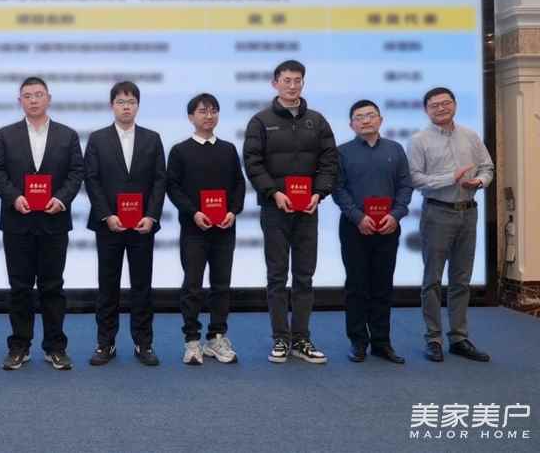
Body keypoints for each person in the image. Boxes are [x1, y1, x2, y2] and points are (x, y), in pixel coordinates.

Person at [243, 59, 338, 364]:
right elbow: (253, 163)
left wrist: (319, 193)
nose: (292, 85)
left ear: (303, 83)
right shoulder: (260, 121)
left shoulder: (317, 121)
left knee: (304, 276)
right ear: (275, 83)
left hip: (308, 209)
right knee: (277, 276)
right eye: (286, 80)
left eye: (297, 80)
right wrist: (274, 192)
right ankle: (281, 339)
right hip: (276, 209)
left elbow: (329, 161)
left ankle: (302, 338)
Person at [0, 76, 84, 371]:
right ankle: (19, 346)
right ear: (20, 101)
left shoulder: (67, 135)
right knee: (20, 288)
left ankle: (56, 347)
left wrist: (62, 199)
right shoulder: (6, 134)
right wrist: (14, 197)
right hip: (18, 221)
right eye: (27, 95)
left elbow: (76, 172)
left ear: (48, 99)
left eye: (38, 94)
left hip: (54, 221)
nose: (33, 100)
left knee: (53, 287)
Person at [408, 87, 494, 363]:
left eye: (446, 103)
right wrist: (450, 178)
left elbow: (487, 167)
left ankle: (459, 338)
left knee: (461, 279)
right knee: (432, 280)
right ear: (426, 110)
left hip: (468, 212)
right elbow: (415, 179)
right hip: (437, 213)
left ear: (455, 105)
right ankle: (433, 339)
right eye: (434, 105)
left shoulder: (470, 135)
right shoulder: (419, 140)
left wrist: (479, 181)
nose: (441, 108)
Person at [83, 81, 166, 367]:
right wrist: (107, 214)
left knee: (142, 286)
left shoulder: (152, 139)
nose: (126, 107)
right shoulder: (97, 139)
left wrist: (151, 215)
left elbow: (159, 180)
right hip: (109, 225)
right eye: (121, 102)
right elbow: (91, 179)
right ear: (112, 106)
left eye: (131, 102)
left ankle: (144, 343)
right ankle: (105, 343)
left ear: (138, 106)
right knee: (108, 286)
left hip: (142, 225)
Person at [167, 93, 245, 365]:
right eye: (202, 111)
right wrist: (194, 212)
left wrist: (233, 211)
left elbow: (238, 184)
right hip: (194, 230)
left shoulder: (228, 149)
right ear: (191, 117)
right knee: (193, 285)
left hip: (224, 229)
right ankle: (192, 341)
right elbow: (173, 187)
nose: (208, 116)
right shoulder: (180, 151)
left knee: (221, 285)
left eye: (213, 110)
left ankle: (216, 337)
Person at [333, 100, 412, 364]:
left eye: (370, 115)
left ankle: (381, 342)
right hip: (354, 227)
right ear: (351, 124)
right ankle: (358, 342)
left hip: (388, 226)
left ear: (380, 120)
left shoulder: (395, 149)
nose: (366, 120)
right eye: (359, 117)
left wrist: (396, 214)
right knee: (356, 286)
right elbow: (338, 189)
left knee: (382, 286)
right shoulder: (342, 152)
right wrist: (358, 217)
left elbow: (405, 185)